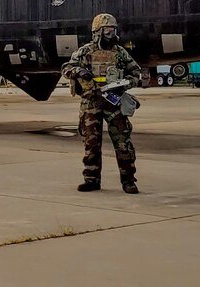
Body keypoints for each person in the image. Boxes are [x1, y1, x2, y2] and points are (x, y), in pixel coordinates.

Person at [61, 13, 142, 193]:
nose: (109, 34)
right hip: (91, 102)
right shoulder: (85, 52)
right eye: (105, 30)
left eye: (112, 30)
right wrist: (79, 72)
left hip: (114, 103)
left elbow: (136, 73)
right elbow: (65, 69)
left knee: (123, 143)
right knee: (91, 143)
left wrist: (124, 84)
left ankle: (128, 180)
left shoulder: (120, 53)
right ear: (97, 32)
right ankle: (91, 179)